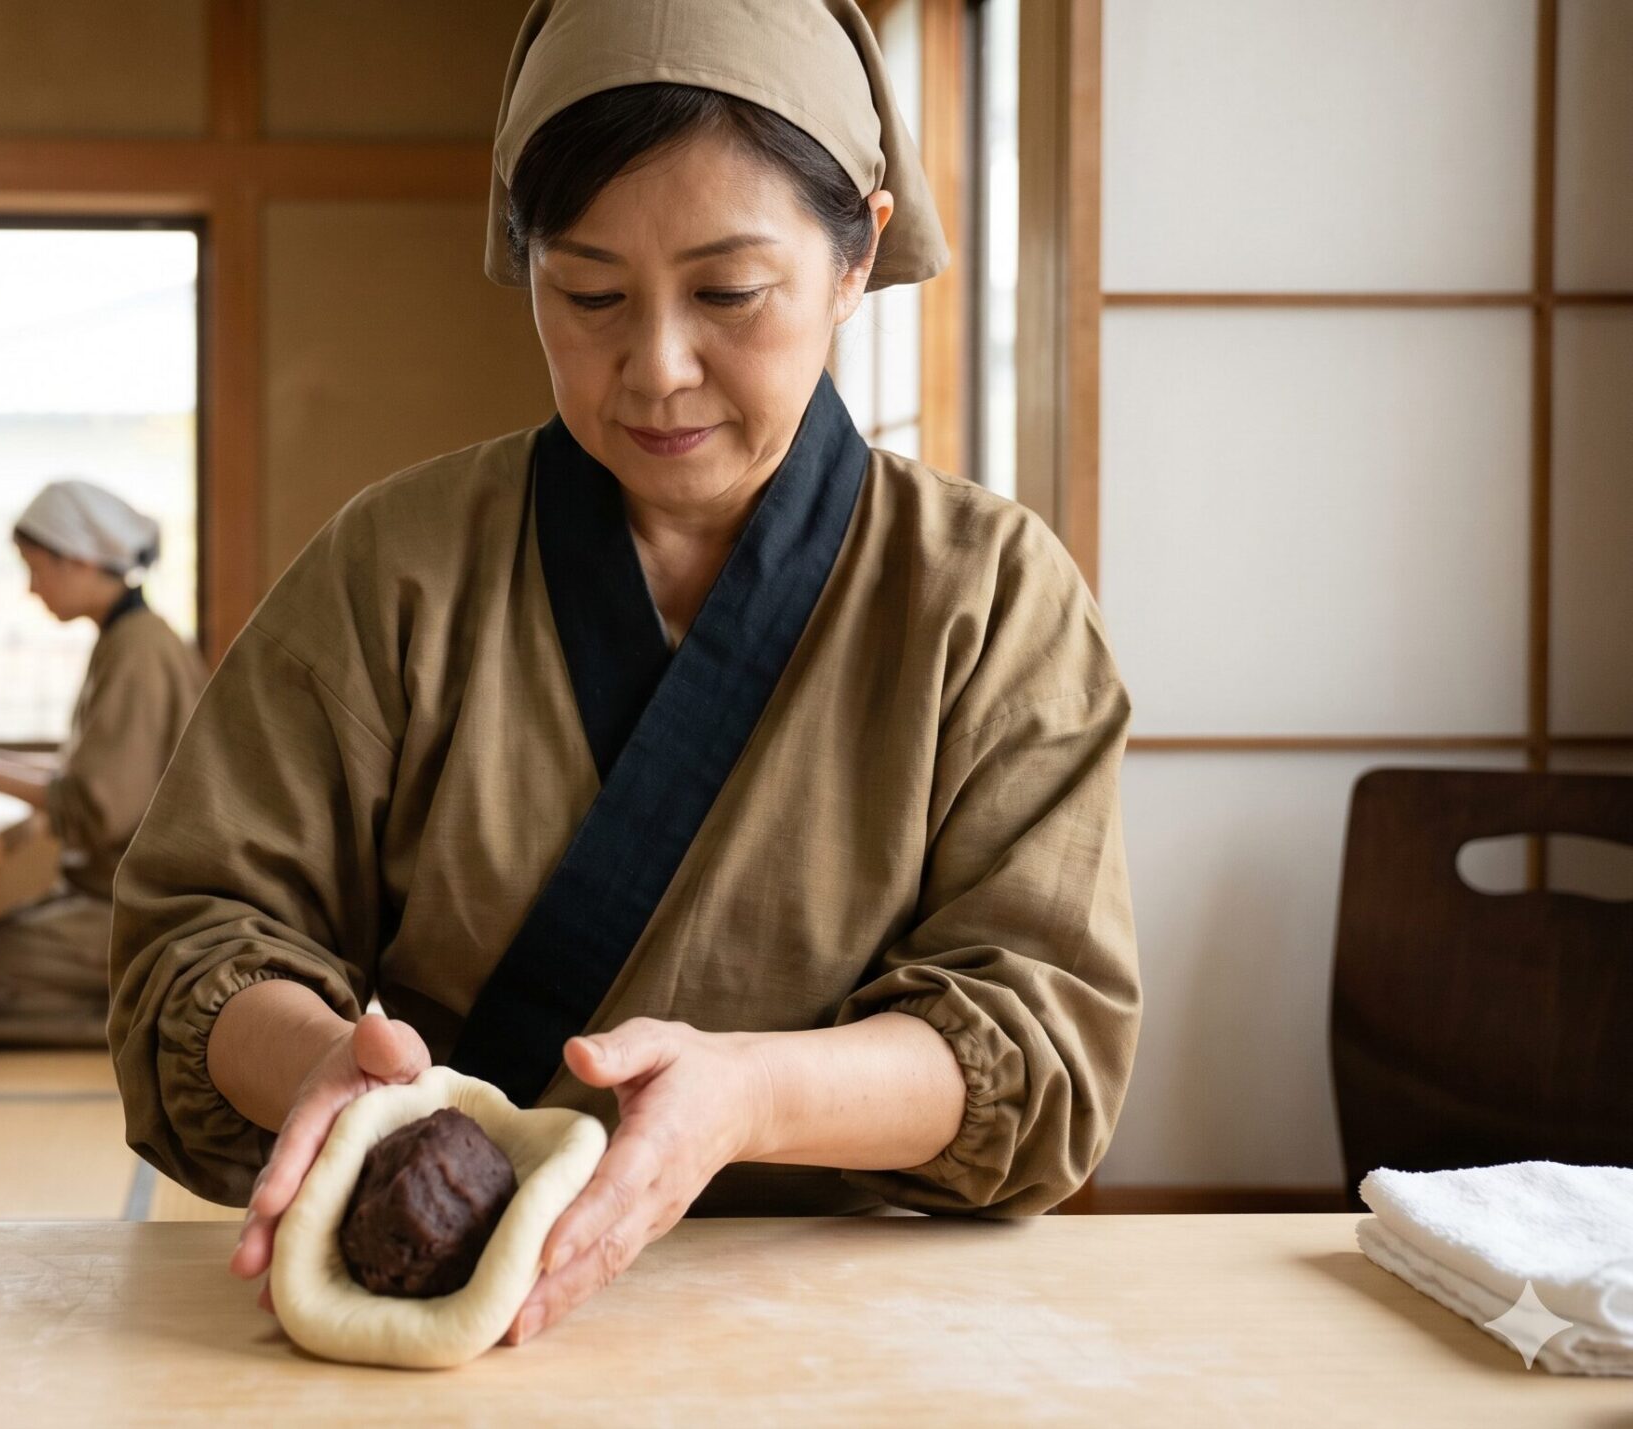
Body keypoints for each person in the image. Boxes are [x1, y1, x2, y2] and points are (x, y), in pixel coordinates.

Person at [110, 0, 1140, 1344]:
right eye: (587, 293)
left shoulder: (987, 595)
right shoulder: (395, 565)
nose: (655, 368)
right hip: (443, 1295)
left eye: (728, 293)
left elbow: (1043, 1036)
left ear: (854, 257)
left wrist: (750, 1097)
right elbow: (195, 934)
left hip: (852, 1305)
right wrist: (326, 1065)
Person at [0, 480, 207, 1048]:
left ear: (78, 561)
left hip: (139, 909)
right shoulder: (130, 638)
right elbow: (97, 777)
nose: (31, 588)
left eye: (35, 567)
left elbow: (99, 807)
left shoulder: (139, 650)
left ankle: (153, 1026)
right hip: (111, 894)